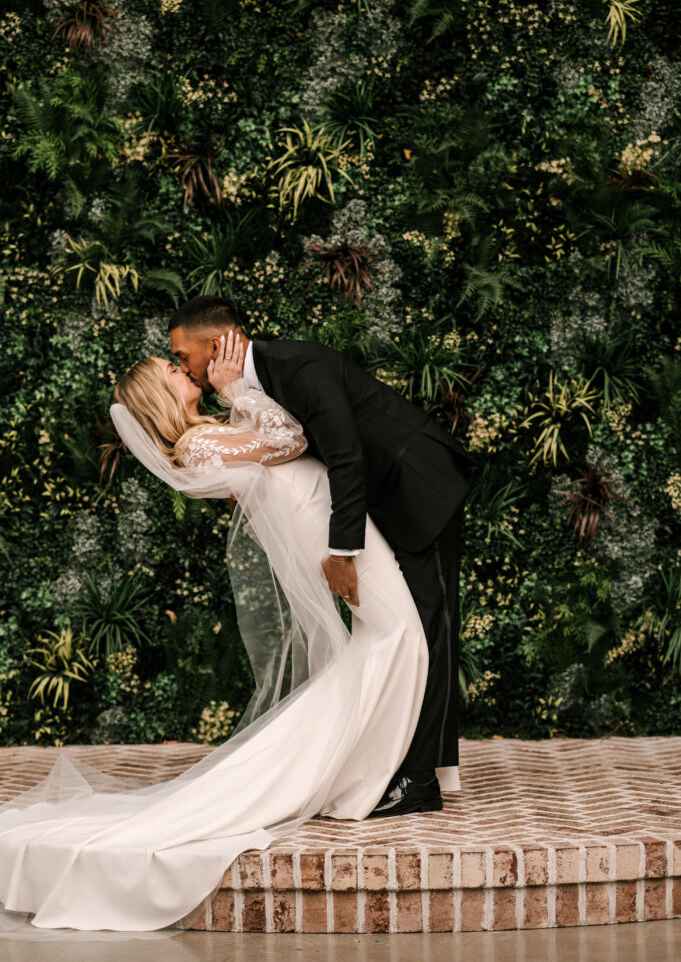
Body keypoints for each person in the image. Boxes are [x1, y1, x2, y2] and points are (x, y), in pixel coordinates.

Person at [0, 328, 434, 932]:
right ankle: (359, 778)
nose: (188, 372)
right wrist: (236, 389)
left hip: (325, 522)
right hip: (325, 533)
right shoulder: (199, 446)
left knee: (390, 638)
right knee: (398, 636)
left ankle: (358, 775)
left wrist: (233, 398)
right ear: (160, 393)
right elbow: (290, 440)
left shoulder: (208, 435)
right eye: (173, 371)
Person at [168, 296, 476, 816]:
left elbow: (346, 456)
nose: (182, 365)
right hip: (373, 510)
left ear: (215, 344)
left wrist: (342, 552)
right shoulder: (242, 393)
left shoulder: (298, 364)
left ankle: (420, 778)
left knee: (428, 625)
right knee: (406, 631)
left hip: (417, 486)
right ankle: (408, 766)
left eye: (182, 355)